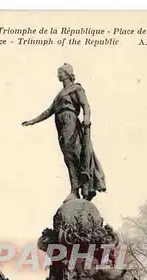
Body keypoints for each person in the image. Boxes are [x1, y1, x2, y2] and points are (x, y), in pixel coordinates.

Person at [22, 63, 106, 202]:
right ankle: (75, 189)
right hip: (60, 123)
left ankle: (85, 186)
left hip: (70, 120)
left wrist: (86, 120)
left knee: (76, 153)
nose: (57, 75)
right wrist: (33, 121)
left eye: (59, 72)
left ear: (67, 73)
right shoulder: (59, 95)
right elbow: (49, 111)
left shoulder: (76, 89)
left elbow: (86, 106)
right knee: (68, 157)